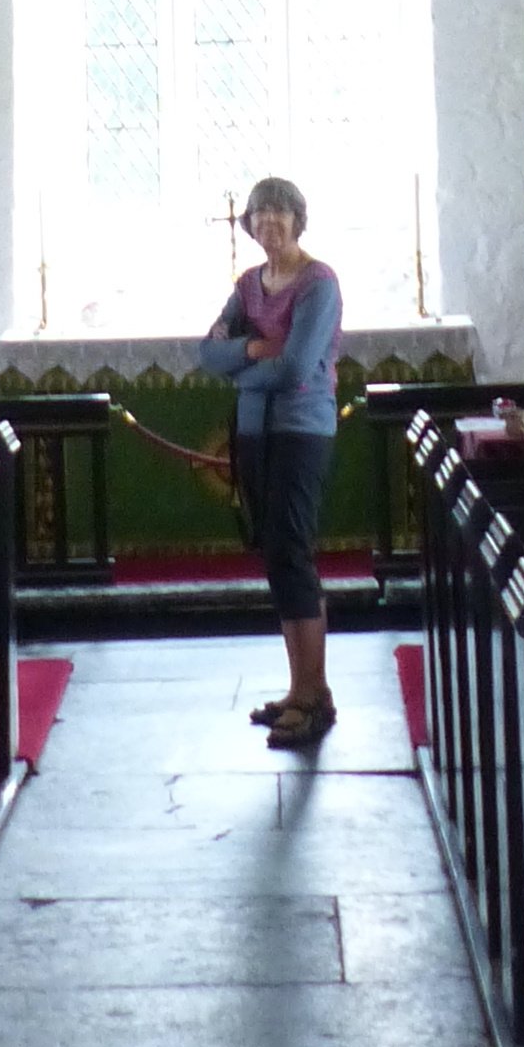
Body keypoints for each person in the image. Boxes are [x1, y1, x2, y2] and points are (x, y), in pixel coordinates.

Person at [195, 178, 344, 749]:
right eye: (261, 214)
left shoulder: (317, 283)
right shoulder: (248, 286)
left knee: (293, 552)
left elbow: (298, 370)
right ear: (250, 225)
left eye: (280, 213)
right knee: (276, 556)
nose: (270, 223)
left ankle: (313, 694)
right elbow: (206, 353)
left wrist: (243, 372)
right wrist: (252, 351)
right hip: (256, 431)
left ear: (298, 220)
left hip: (301, 431)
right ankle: (301, 688)